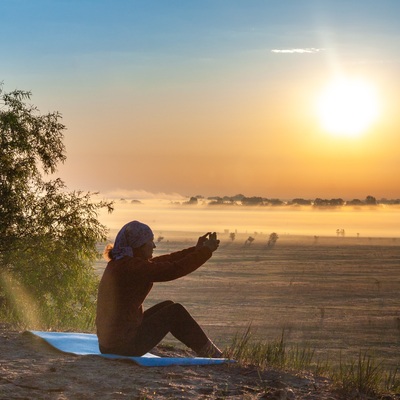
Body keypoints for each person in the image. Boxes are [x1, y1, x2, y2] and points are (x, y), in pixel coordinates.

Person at [95, 220, 222, 358]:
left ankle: (209, 352)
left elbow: (163, 262)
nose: (154, 246)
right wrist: (205, 251)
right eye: (150, 241)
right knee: (174, 312)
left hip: (112, 343)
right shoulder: (131, 268)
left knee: (168, 306)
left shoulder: (123, 263)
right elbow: (172, 269)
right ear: (139, 245)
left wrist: (195, 250)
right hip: (121, 346)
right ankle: (211, 354)